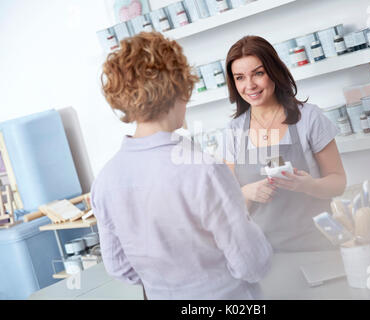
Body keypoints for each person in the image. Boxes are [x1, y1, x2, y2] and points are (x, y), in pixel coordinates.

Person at [91, 32, 272, 300]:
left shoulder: (105, 181)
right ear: (179, 87)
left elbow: (120, 269)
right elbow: (252, 264)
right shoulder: (203, 170)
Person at [223, 35, 347, 252]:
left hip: (317, 245)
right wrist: (246, 193)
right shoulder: (233, 132)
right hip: (261, 252)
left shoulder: (309, 118)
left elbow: (339, 183)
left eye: (258, 73)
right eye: (240, 77)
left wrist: (311, 186)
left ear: (274, 72)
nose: (250, 85)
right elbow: (229, 206)